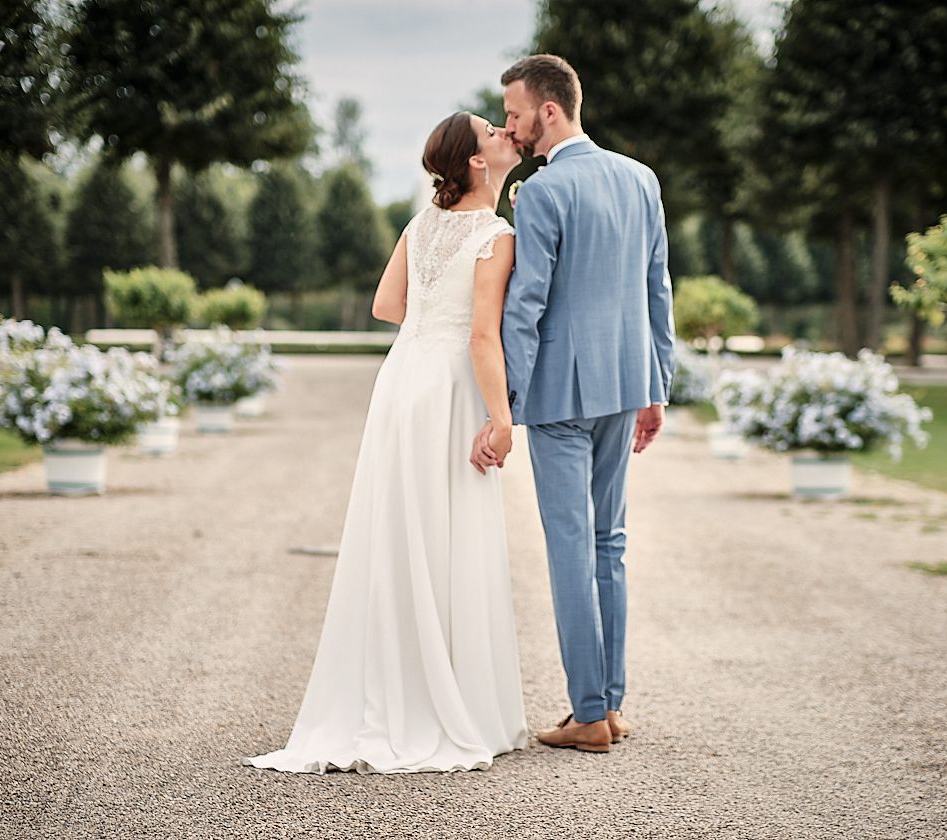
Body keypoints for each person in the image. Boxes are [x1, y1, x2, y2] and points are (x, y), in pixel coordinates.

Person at [243, 111, 527, 774]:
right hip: (449, 388)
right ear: (476, 162)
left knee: (400, 529)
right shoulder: (496, 236)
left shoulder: (418, 225)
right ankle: (447, 702)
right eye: (492, 131)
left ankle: (395, 689)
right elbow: (482, 336)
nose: (504, 134)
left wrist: (431, 320)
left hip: (401, 383)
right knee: (447, 530)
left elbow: (385, 307)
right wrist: (502, 419)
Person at [473, 54, 675, 753]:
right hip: (625, 384)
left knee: (569, 547)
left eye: (515, 113)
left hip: (560, 393)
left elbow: (526, 305)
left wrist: (507, 405)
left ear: (549, 110)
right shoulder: (641, 178)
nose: (510, 127)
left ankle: (588, 714)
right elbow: (657, 288)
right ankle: (611, 706)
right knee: (608, 543)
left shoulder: (541, 192)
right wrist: (657, 384)